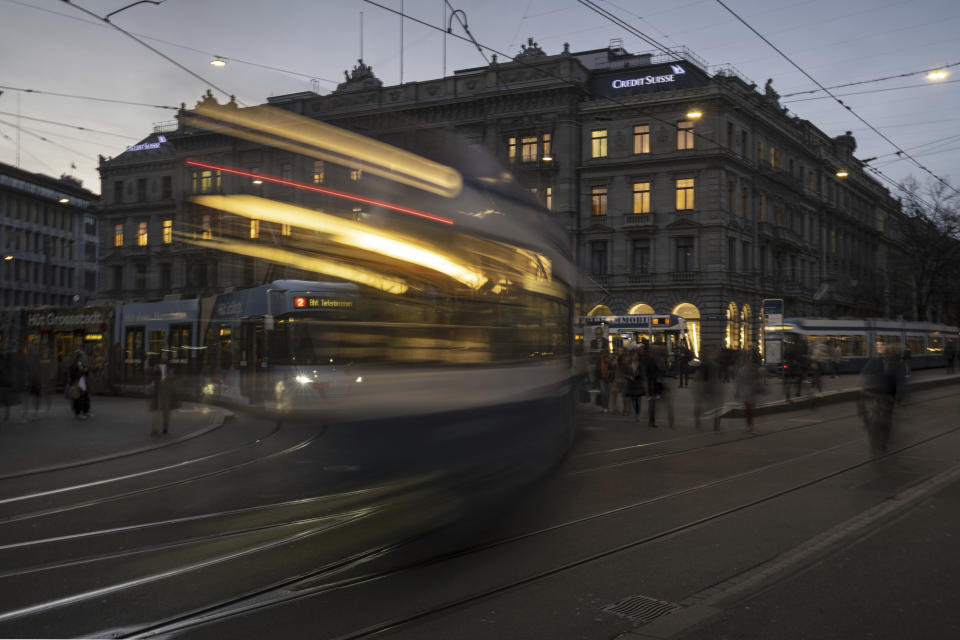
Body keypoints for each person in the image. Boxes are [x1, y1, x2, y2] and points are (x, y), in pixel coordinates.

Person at [858, 341, 906, 455]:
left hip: (889, 397)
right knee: (875, 418)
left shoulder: (897, 364)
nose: (886, 354)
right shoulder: (876, 361)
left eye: (888, 352)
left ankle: (883, 442)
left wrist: (899, 396)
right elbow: (866, 373)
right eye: (885, 352)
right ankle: (874, 440)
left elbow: (901, 381)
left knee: (886, 421)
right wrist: (863, 386)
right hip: (876, 395)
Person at [734, 351, 764, 432]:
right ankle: (749, 425)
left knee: (749, 408)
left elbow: (757, 378)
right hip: (747, 390)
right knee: (749, 408)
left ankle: (749, 425)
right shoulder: (744, 368)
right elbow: (739, 381)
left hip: (750, 389)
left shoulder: (750, 368)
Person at [694, 347, 723, 430]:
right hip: (704, 385)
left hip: (709, 385)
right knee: (705, 405)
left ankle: (714, 424)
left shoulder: (710, 361)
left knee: (711, 405)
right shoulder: (702, 361)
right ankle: (700, 421)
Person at [150, 352, 174, 436]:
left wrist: (169, 375)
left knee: (166, 410)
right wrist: (155, 371)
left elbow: (172, 377)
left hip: (167, 389)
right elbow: (153, 376)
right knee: (157, 409)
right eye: (163, 355)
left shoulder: (170, 366)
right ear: (160, 357)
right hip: (159, 389)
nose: (165, 357)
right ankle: (155, 429)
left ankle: (165, 427)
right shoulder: (156, 365)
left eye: (166, 355)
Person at [67, 350, 91, 420]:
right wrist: (83, 371)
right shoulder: (74, 365)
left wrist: (86, 371)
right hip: (77, 383)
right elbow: (74, 375)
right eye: (81, 356)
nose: (83, 358)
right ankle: (78, 413)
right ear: (78, 357)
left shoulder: (81, 364)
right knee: (79, 398)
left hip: (83, 383)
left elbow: (85, 373)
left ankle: (85, 411)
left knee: (85, 398)